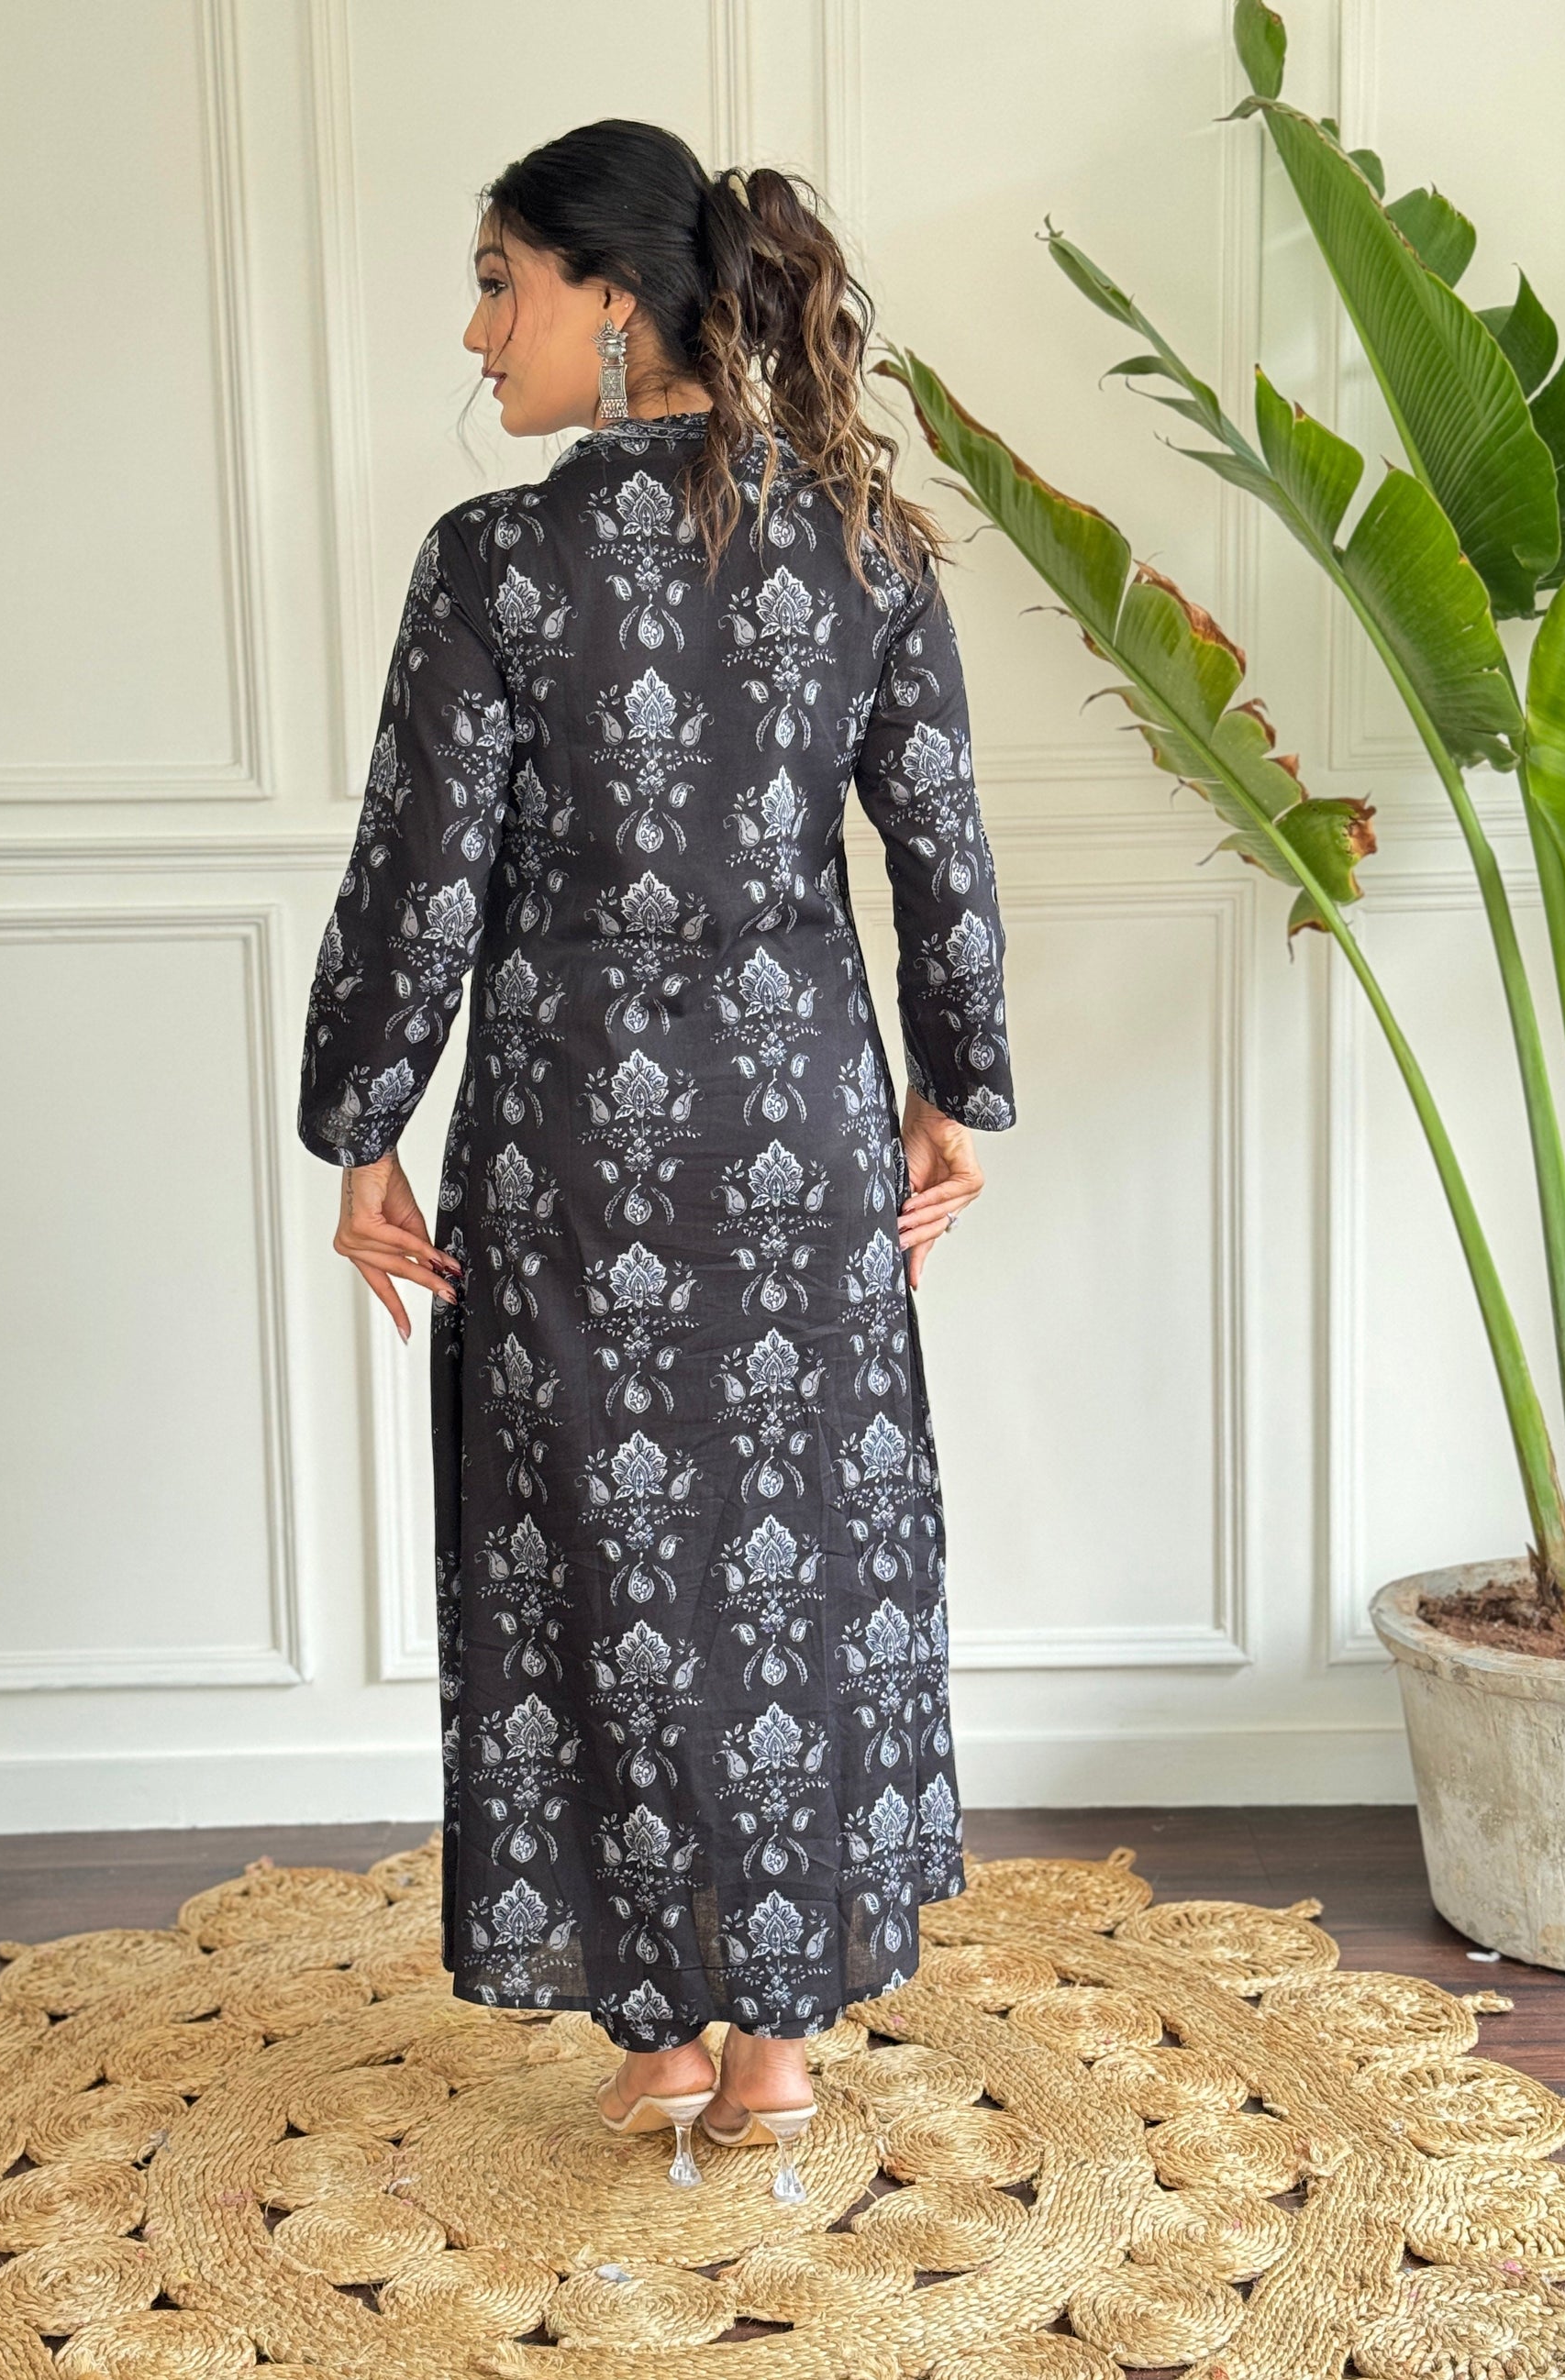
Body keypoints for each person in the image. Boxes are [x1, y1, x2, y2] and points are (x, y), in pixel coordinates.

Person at [295, 119, 1016, 2199]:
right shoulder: (868, 540)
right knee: (799, 1552)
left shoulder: (493, 563)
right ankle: (774, 2045)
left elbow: (417, 883)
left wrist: (362, 1129)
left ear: (614, 303)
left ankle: (665, 2029)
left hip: (572, 1142)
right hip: (799, 1130)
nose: (476, 330)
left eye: (498, 281)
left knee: (595, 1562)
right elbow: (940, 850)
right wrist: (952, 1090)